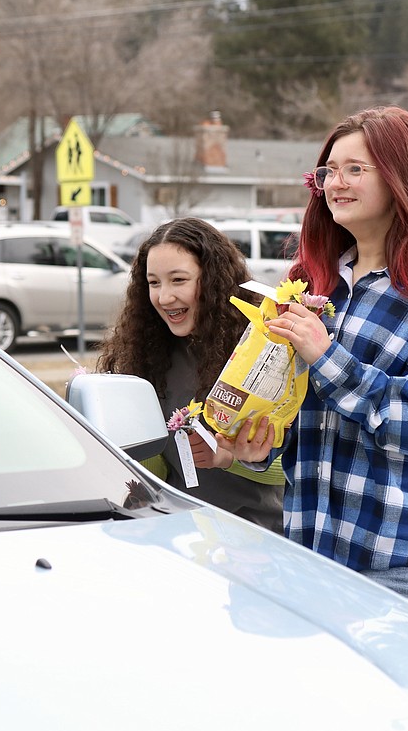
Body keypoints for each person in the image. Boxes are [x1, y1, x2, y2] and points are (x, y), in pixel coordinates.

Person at [222, 106, 408, 622]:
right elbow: (306, 426)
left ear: (402, 177)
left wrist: (326, 356)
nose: (335, 183)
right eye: (328, 171)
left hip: (400, 568)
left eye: (355, 169)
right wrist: (259, 448)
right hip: (313, 556)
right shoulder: (314, 287)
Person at [96, 217, 284, 533]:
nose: (164, 297)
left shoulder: (263, 349)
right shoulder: (144, 355)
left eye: (179, 280)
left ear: (213, 280)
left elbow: (296, 465)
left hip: (255, 542)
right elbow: (155, 465)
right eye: (153, 283)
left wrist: (229, 457)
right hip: (178, 536)